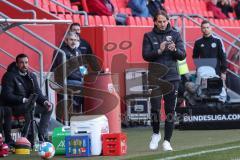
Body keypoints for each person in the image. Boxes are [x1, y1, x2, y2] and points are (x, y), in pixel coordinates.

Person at [142, 10, 186, 151]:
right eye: (159, 21)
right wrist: (159, 51)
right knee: (155, 107)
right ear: (155, 22)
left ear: (168, 21)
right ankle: (156, 134)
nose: (162, 24)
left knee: (169, 110)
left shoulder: (175, 34)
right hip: (155, 77)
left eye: (164, 21)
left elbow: (182, 55)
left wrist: (174, 50)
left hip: (172, 77)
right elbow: (146, 56)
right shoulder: (148, 36)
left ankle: (167, 141)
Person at [1, 54, 53, 143]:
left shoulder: (31, 76)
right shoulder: (9, 76)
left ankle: (42, 135)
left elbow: (38, 92)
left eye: (26, 62)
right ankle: (27, 138)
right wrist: (24, 100)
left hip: (28, 105)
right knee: (29, 107)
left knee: (49, 106)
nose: (25, 65)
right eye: (21, 63)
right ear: (17, 64)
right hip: (14, 107)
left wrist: (44, 101)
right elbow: (7, 95)